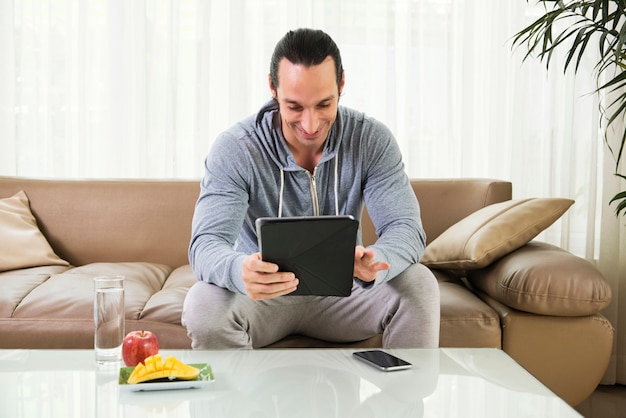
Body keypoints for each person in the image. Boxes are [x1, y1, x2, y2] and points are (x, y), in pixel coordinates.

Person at [182, 28, 440, 349]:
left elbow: (405, 228)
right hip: (263, 298)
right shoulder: (236, 148)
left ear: (341, 85)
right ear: (273, 89)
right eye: (294, 107)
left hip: (347, 293)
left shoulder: (371, 139)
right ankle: (241, 400)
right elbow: (206, 243)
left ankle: (401, 399)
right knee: (203, 304)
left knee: (420, 283)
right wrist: (239, 270)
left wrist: (376, 260)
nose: (310, 124)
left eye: (324, 104)